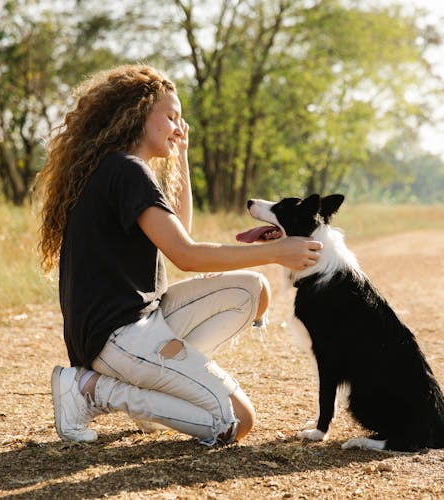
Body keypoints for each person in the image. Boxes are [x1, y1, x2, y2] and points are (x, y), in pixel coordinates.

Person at [35, 64, 322, 445]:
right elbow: (186, 255)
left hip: (140, 322)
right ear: (137, 114)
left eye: (180, 120)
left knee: (253, 292)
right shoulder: (126, 170)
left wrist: (181, 155)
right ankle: (94, 390)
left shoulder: (120, 168)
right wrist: (276, 251)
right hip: (117, 337)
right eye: (171, 117)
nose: (178, 127)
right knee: (236, 422)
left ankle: (160, 386)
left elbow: (179, 234)